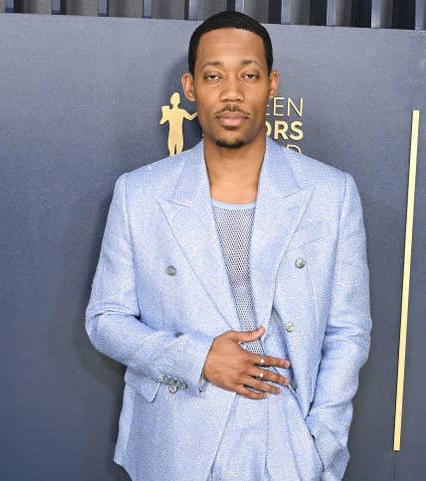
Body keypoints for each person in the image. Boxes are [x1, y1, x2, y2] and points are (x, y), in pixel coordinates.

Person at [85, 10, 371, 481]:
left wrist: (322, 442)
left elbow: (348, 330)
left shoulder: (330, 193)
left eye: (249, 75)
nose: (232, 93)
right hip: (178, 439)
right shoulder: (140, 194)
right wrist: (197, 357)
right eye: (214, 75)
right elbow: (105, 320)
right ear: (191, 86)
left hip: (287, 439)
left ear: (272, 84)